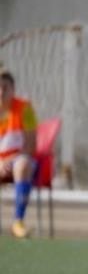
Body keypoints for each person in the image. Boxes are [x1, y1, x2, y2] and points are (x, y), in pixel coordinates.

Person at [0, 66, 39, 239]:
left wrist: (9, 161)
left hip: (21, 161)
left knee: (22, 165)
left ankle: (18, 221)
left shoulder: (25, 108)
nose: (1, 92)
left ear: (13, 89)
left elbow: (30, 145)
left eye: (5, 87)